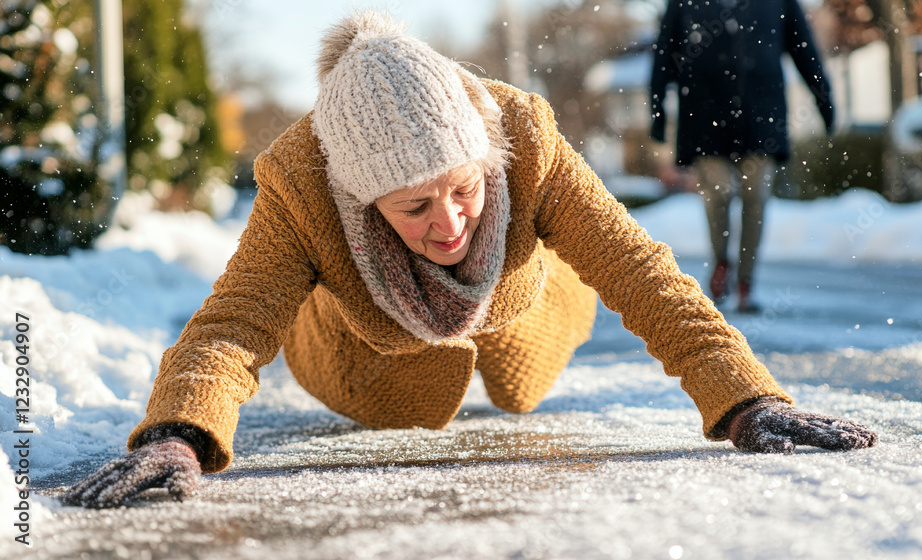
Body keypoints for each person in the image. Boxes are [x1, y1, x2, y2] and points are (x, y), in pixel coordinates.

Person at [63, 11, 875, 509]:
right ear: (359, 195)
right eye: (413, 207)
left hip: (525, 317)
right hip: (366, 354)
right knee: (333, 337)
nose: (448, 221)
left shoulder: (527, 138)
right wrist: (177, 433)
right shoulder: (301, 179)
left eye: (464, 190)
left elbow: (640, 269)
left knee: (527, 364)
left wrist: (745, 401)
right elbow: (234, 323)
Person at [649, 0, 835, 312]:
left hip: (762, 115)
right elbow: (664, 55)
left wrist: (823, 97)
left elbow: (804, 48)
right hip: (704, 114)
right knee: (719, 192)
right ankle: (722, 260)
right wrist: (656, 111)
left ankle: (746, 281)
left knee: (756, 195)